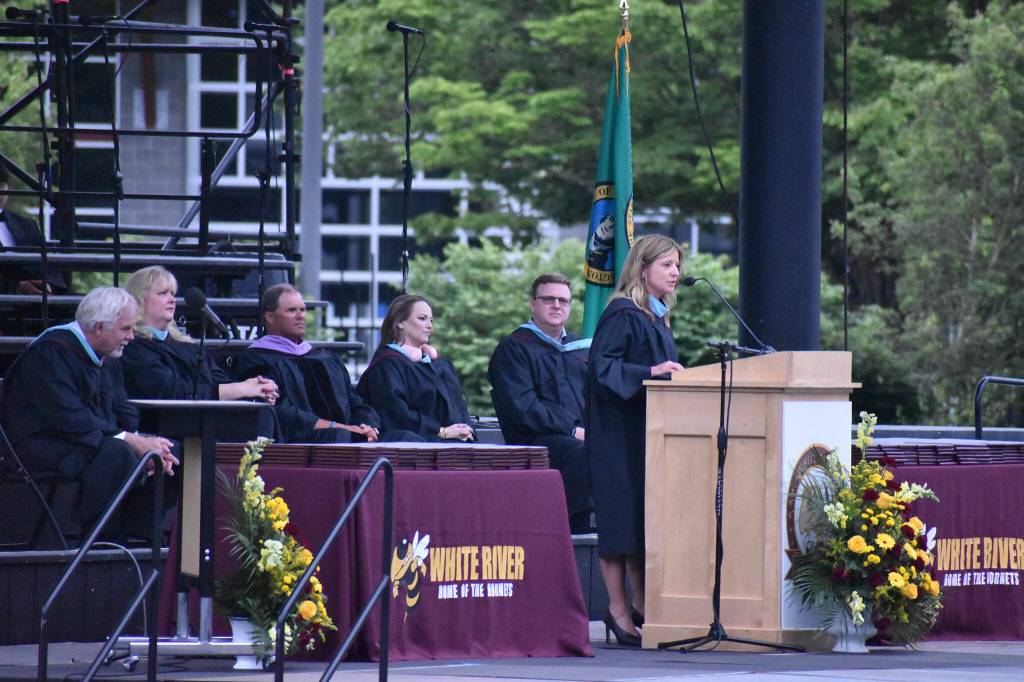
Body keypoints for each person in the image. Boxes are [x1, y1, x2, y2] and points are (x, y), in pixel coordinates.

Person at [1, 287, 179, 541]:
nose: (131, 336)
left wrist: (139, 439)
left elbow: (123, 408)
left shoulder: (108, 355)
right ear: (98, 327)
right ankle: (102, 541)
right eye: (125, 328)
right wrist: (130, 440)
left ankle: (143, 535)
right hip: (43, 445)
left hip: (88, 440)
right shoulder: (51, 352)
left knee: (172, 452)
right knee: (118, 453)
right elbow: (68, 418)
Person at [586, 234, 685, 647]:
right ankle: (618, 609)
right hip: (616, 435)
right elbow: (602, 368)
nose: (675, 272)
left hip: (644, 433)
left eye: (677, 265)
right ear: (642, 269)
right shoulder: (622, 314)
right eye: (666, 265)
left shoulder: (655, 316)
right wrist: (652, 370)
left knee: (641, 521)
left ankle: (643, 604)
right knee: (619, 521)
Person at [234, 283, 416, 444]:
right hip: (302, 443)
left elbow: (355, 401)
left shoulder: (325, 358)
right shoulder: (256, 360)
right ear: (270, 317)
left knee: (407, 439)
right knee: (339, 438)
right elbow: (283, 413)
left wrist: (368, 426)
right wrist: (338, 428)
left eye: (303, 310)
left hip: (347, 435)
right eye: (291, 310)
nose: (300, 316)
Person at [488, 273, 593, 533]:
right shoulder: (513, 349)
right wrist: (572, 429)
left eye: (564, 301)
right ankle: (574, 533)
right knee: (580, 452)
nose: (557, 305)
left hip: (582, 437)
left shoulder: (580, 349)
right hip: (535, 440)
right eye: (549, 299)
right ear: (533, 304)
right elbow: (522, 407)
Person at [120, 266, 279, 405]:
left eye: (173, 294)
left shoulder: (187, 346)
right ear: (139, 300)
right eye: (162, 293)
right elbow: (171, 391)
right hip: (161, 429)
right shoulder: (132, 345)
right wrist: (239, 389)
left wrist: (255, 388)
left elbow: (221, 382)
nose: (172, 300)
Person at [357, 294, 474, 442]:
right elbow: (396, 415)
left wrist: (464, 430)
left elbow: (456, 406)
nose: (429, 325)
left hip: (448, 446)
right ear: (400, 322)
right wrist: (441, 431)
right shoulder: (387, 365)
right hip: (409, 449)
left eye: (431, 320)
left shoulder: (434, 363)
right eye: (422, 318)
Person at [0, 162, 65, 295]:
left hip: (35, 307)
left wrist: (47, 285)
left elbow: (49, 267)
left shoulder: (26, 225)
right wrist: (17, 288)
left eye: (2, 185)